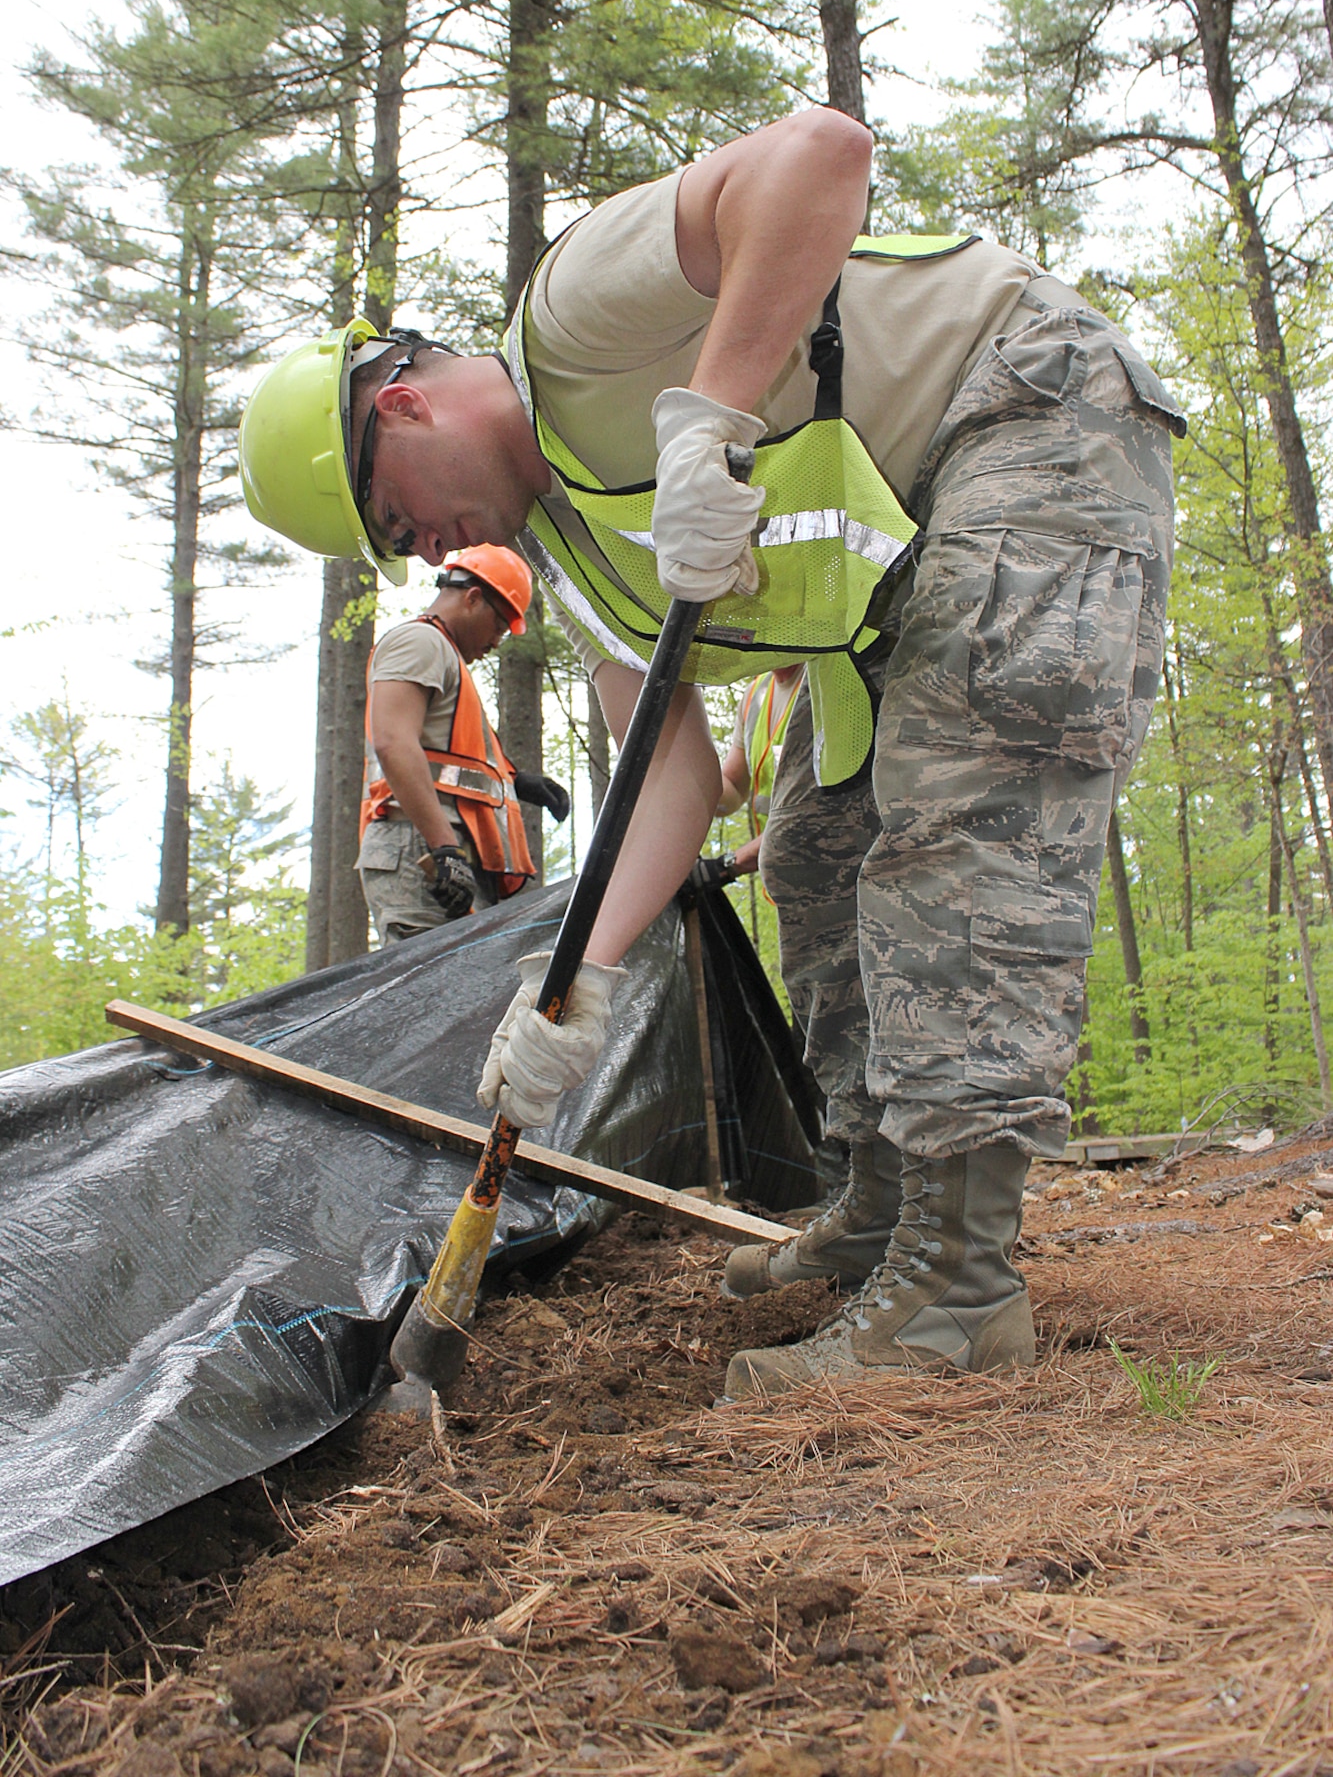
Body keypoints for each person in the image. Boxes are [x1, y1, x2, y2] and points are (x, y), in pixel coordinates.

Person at [240, 108, 1180, 1397]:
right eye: (401, 543)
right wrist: (579, 984)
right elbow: (668, 779)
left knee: (960, 819)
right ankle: (882, 1195)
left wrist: (707, 420)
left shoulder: (569, 315)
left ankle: (959, 1287)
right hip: (907, 562)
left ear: (401, 404)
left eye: (399, 513)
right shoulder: (574, 561)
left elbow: (825, 153)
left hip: (1022, 403)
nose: (424, 546)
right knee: (812, 842)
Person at [358, 545, 566, 944]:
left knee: (463, 991)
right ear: (473, 599)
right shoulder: (420, 642)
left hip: (444, 846)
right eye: (499, 626)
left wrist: (517, 783)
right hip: (421, 846)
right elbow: (393, 743)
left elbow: (447, 760)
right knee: (429, 991)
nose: (496, 642)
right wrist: (444, 849)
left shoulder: (443, 655)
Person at [693, 662, 804, 890]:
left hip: (842, 885)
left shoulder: (820, 683)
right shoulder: (756, 695)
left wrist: (729, 865)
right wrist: (686, 784)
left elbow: (810, 811)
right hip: (790, 885)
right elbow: (732, 787)